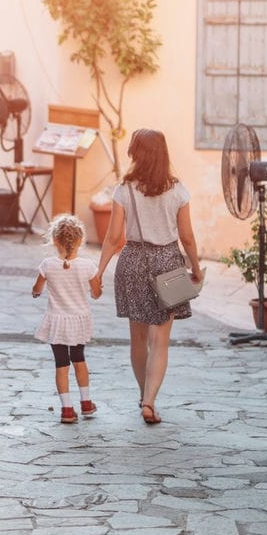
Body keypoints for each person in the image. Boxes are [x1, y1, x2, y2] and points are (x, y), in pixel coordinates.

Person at [91, 129, 203, 425]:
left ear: (134, 153)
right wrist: (196, 267)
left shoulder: (124, 189)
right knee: (161, 340)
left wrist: (100, 271)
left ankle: (143, 396)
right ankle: (151, 401)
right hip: (168, 262)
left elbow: (114, 238)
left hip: (133, 262)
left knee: (138, 338)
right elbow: (187, 237)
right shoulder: (178, 190)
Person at [32, 214, 102, 424]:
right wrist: (96, 290)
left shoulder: (47, 265)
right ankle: (87, 403)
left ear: (54, 241)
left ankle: (67, 409)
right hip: (78, 321)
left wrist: (36, 292)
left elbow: (37, 289)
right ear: (80, 241)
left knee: (61, 365)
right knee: (79, 360)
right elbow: (96, 293)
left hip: (57, 322)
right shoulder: (88, 266)